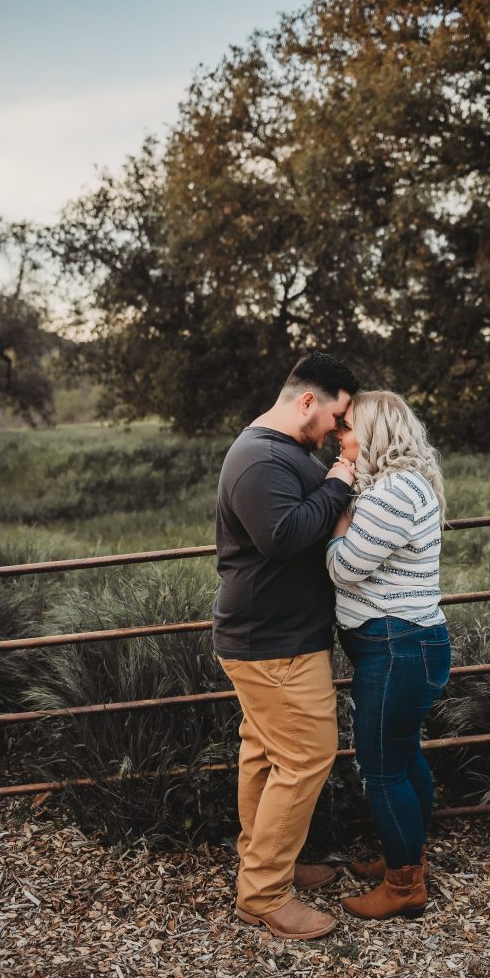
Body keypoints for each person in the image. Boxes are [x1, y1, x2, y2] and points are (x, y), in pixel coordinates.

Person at [213, 351, 359, 940]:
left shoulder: (286, 453)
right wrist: (342, 477)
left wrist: (330, 476)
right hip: (271, 643)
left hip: (276, 637)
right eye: (337, 416)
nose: (339, 431)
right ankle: (264, 895)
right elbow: (283, 536)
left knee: (267, 754)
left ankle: (269, 860)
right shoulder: (258, 459)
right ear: (307, 401)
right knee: (306, 756)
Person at [326, 390, 451, 921]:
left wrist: (337, 519)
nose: (339, 433)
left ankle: (404, 886)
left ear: (374, 433)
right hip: (405, 645)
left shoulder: (391, 492)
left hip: (396, 648)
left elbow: (341, 568)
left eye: (347, 426)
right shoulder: (398, 485)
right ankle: (408, 857)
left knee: (380, 771)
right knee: (403, 758)